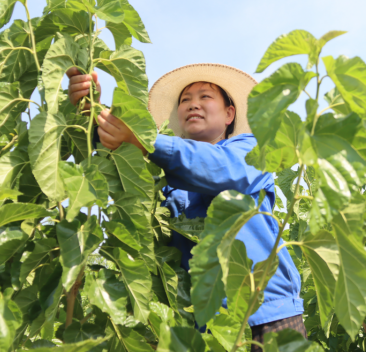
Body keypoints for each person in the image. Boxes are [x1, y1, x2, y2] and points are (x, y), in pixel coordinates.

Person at [66, 63, 305, 348]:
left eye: (205, 96)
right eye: (185, 100)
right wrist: (91, 113)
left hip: (267, 313)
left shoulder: (251, 151)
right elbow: (122, 163)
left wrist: (145, 141)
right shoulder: (165, 176)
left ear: (229, 114)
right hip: (206, 327)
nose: (193, 104)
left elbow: (218, 168)